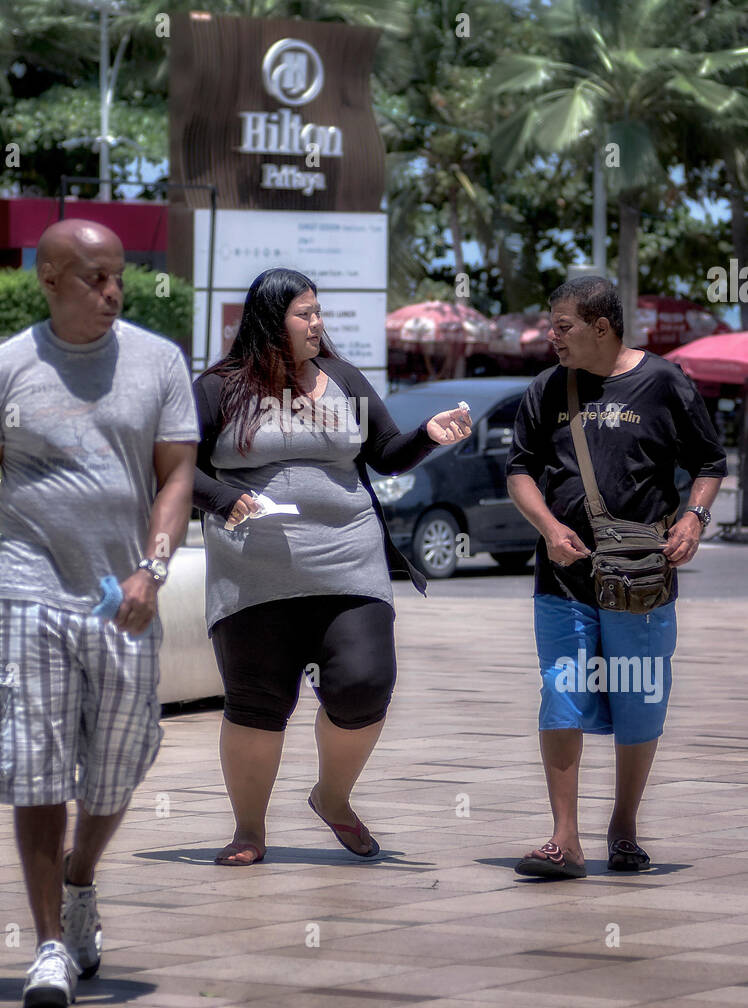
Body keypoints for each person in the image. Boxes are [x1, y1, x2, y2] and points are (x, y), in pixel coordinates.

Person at [0, 219, 199, 1008]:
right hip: (28, 590)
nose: (113, 291)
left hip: (123, 598)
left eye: (119, 275)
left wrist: (152, 570)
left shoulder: (158, 361)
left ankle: (81, 881)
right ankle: (48, 944)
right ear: (48, 279)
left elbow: (177, 476)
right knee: (37, 765)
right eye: (94, 277)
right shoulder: (5, 367)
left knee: (120, 765)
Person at [192, 267, 472, 866]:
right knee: (257, 702)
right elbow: (172, 465)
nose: (317, 324)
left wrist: (428, 433)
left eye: (319, 312)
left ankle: (333, 797)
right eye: (304, 313)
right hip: (254, 573)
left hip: (350, 559)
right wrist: (223, 499)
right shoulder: (218, 388)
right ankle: (249, 831)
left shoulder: (342, 379)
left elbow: (388, 454)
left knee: (365, 683)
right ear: (272, 320)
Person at [505, 276, 726, 878]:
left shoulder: (663, 382)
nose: (551, 336)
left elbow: (709, 460)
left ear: (602, 328)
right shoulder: (548, 389)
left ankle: (623, 827)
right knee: (561, 693)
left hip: (641, 582)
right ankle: (565, 840)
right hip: (563, 580)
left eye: (563, 326)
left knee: (640, 702)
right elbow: (519, 471)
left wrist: (694, 519)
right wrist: (550, 529)